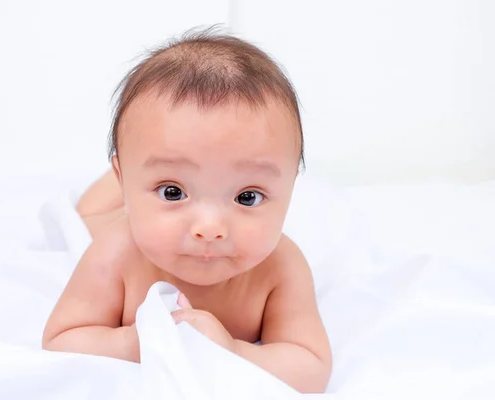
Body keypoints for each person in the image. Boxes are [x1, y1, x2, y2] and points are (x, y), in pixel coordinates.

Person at [42, 27, 332, 393]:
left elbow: (312, 366)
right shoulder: (114, 253)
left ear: (290, 188)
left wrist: (231, 350)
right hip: (110, 219)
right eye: (173, 191)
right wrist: (133, 343)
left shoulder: (281, 268)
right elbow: (61, 338)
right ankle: (115, 188)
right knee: (87, 216)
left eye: (247, 197)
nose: (209, 227)